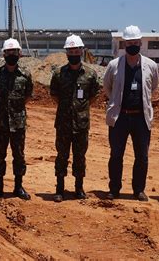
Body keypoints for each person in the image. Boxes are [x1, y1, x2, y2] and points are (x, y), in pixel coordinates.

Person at [103, 25, 159, 201]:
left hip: (141, 118)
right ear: (124, 44)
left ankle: (139, 190)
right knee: (116, 154)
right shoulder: (114, 65)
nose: (132, 45)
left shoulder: (151, 65)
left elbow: (154, 87)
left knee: (141, 156)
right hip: (120, 117)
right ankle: (114, 189)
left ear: (140, 43)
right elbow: (107, 87)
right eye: (129, 42)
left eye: (135, 42)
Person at [50, 35, 100, 202]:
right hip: (63, 123)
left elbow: (92, 96)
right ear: (66, 52)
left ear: (81, 51)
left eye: (76, 50)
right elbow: (54, 95)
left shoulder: (90, 74)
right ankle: (59, 188)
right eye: (70, 51)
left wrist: (80, 109)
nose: (73, 53)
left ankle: (79, 187)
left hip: (81, 124)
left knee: (80, 156)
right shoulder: (58, 73)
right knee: (62, 155)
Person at [0, 38, 33, 200]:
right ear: (4, 54)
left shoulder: (25, 76)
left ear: (19, 54)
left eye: (14, 52)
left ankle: (18, 187)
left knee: (19, 155)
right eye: (8, 52)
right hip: (0, 122)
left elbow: (27, 96)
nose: (11, 55)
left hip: (18, 123)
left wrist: (15, 109)